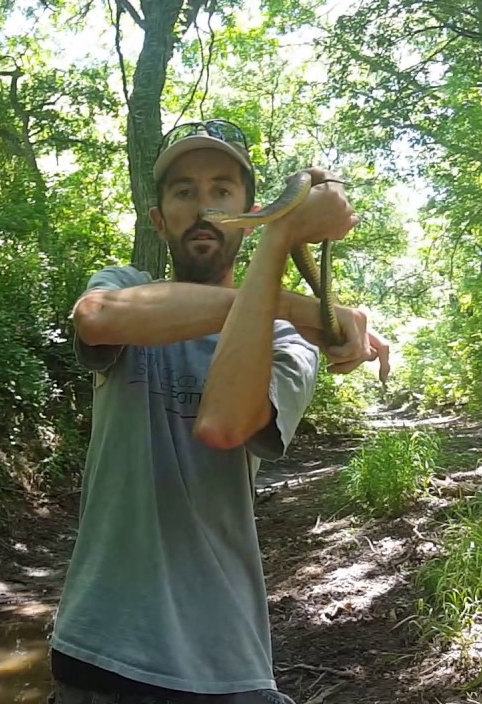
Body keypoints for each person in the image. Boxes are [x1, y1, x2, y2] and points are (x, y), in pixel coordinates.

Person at [48, 119, 389, 704]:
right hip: (98, 649)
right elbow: (98, 318)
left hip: (223, 664)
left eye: (221, 190)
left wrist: (284, 260)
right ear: (159, 220)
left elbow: (224, 424)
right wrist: (305, 302)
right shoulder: (125, 286)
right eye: (183, 191)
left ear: (251, 212)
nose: (203, 206)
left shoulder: (286, 342)